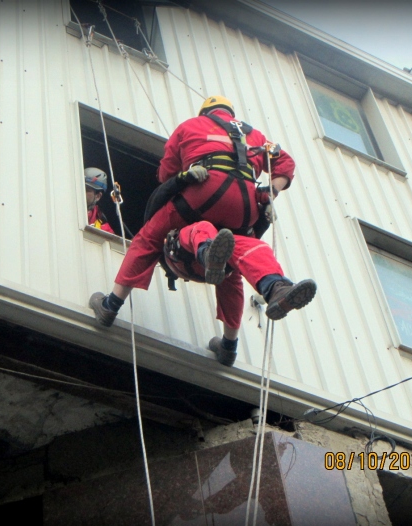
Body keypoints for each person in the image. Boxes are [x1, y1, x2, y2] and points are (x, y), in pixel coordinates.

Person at [89, 96, 316, 366]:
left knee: (148, 238)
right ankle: (272, 291)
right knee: (238, 261)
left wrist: (188, 170)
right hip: (246, 202)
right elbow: (285, 163)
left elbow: (165, 175)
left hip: (205, 190)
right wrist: (272, 190)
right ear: (230, 113)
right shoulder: (255, 134)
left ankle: (111, 306)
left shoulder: (191, 125)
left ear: (206, 111)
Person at [85, 167, 114, 234]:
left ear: (98, 196)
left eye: (87, 190)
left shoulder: (105, 230)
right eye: (80, 187)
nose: (81, 191)